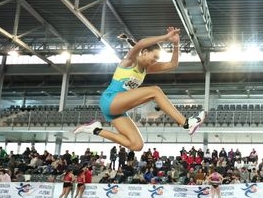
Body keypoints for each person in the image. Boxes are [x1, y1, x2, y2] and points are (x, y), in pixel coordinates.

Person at [72, 27, 205, 151]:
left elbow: (173, 64)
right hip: (110, 100)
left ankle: (95, 129)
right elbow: (141, 44)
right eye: (154, 58)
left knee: (136, 145)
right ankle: (186, 123)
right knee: (155, 91)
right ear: (145, 52)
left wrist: (176, 44)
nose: (155, 61)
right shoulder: (130, 61)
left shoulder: (147, 68)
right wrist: (165, 38)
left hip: (118, 110)